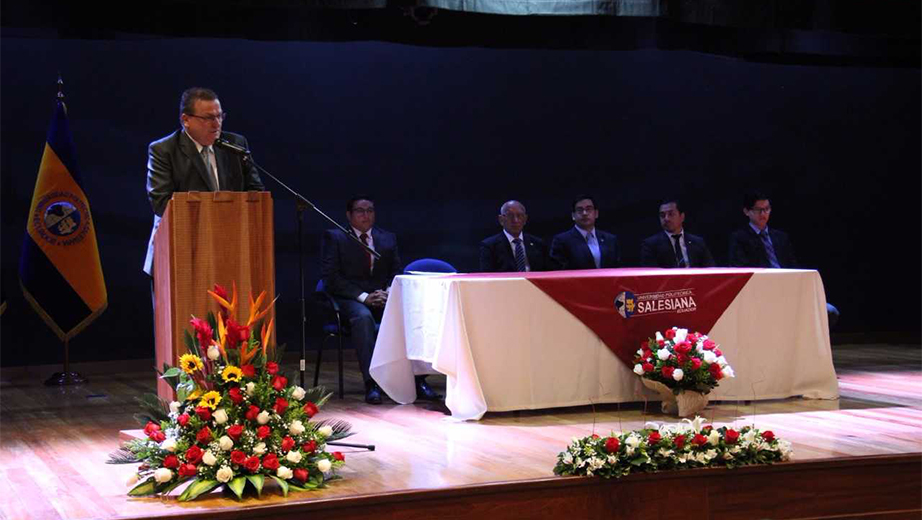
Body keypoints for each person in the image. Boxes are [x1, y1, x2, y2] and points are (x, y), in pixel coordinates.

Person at [320, 196, 440, 404]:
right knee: (363, 318)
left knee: (411, 317)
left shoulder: (387, 238)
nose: (366, 215)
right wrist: (365, 298)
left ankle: (418, 380)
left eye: (370, 210)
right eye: (360, 211)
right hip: (351, 299)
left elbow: (396, 271)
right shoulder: (336, 237)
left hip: (383, 297)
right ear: (349, 215)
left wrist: (387, 293)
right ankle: (371, 383)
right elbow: (331, 279)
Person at [143, 87, 264, 276]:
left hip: (230, 252)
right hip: (178, 253)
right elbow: (161, 204)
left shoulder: (235, 145)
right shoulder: (163, 150)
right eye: (208, 118)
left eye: (220, 116)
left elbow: (255, 192)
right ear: (186, 120)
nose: (216, 124)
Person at [729, 191, 839, 326]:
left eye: (767, 209)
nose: (763, 214)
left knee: (831, 312)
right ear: (747, 211)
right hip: (761, 292)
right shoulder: (739, 238)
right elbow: (742, 269)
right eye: (759, 210)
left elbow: (793, 266)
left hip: (789, 288)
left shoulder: (780, 237)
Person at [549, 195, 621, 270]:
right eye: (580, 210)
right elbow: (559, 271)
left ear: (596, 213)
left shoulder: (610, 239)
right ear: (573, 215)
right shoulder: (562, 240)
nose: (584, 213)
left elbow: (617, 268)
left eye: (588, 209)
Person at [479, 200, 553, 272]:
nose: (515, 220)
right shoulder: (489, 246)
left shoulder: (538, 243)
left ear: (525, 219)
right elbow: (487, 276)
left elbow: (548, 272)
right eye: (510, 216)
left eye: (519, 215)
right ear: (501, 219)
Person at [640, 199, 716, 268]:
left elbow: (710, 269)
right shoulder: (650, 245)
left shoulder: (697, 242)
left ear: (682, 217)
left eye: (671, 214)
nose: (666, 219)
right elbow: (651, 276)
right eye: (662, 215)